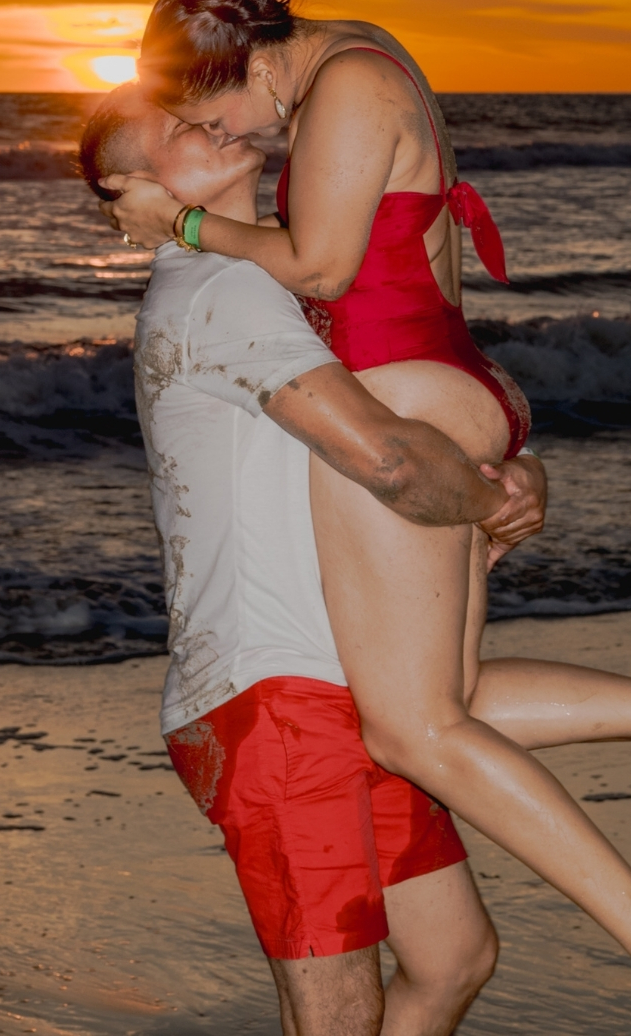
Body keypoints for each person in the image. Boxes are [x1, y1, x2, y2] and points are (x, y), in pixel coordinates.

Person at [102, 0, 631, 1036]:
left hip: (406, 384)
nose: (229, 137)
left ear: (244, 63)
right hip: (438, 379)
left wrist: (176, 225)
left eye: (211, 111)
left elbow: (321, 271)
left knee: (412, 730)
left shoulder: (344, 88)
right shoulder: (361, 62)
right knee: (425, 710)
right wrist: (488, 439)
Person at [81, 88, 541, 1036]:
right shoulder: (219, 289)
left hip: (348, 685)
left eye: (193, 112)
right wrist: (498, 496)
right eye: (172, 136)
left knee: (452, 956)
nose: (202, 124)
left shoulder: (277, 270)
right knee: (337, 1007)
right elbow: (386, 456)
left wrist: (501, 474)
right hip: (276, 696)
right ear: (133, 192)